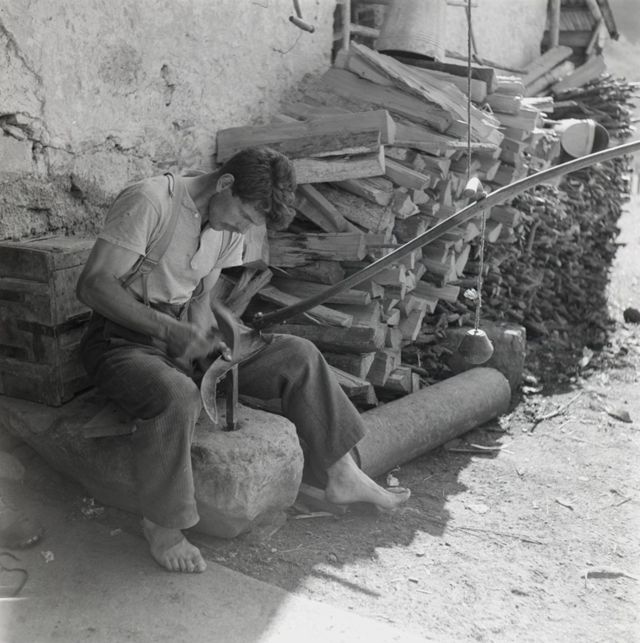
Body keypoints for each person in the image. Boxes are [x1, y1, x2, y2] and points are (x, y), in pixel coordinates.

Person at [76, 147, 410, 574]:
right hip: (121, 343)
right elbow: (93, 285)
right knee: (177, 394)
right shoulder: (151, 201)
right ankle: (163, 526)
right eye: (246, 216)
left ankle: (341, 472)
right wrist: (169, 330)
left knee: (298, 355)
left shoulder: (225, 228)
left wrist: (208, 337)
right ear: (226, 183)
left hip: (178, 338)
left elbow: (200, 296)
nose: (244, 229)